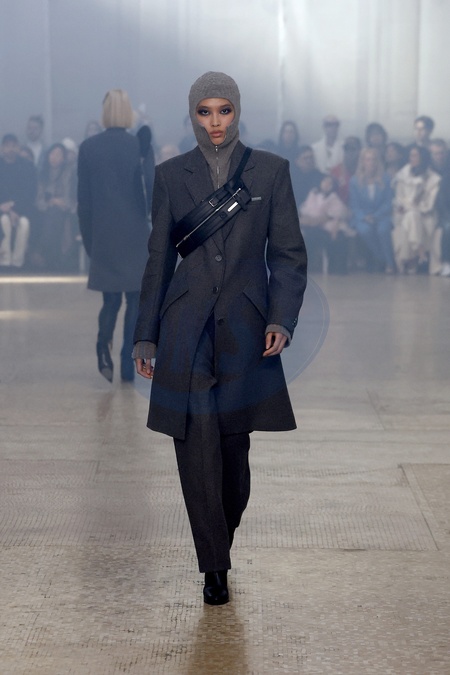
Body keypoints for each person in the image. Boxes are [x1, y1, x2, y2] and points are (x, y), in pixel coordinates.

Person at [132, 72, 307, 605]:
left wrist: (281, 318)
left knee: (233, 453)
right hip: (185, 327)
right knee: (196, 444)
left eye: (224, 110)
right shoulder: (170, 175)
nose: (215, 122)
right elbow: (158, 259)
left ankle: (219, 540)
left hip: (246, 329)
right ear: (192, 115)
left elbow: (288, 255)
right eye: (205, 111)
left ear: (237, 111)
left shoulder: (269, 171)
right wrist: (145, 336)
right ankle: (213, 565)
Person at [77, 89, 154, 382]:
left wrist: (89, 240)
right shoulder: (140, 144)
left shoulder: (88, 147)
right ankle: (127, 363)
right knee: (135, 301)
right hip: (135, 233)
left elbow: (84, 202)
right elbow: (152, 191)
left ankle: (102, 348)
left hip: (104, 233)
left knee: (110, 301)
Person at [392, 145, 441, 274]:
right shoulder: (402, 175)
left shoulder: (433, 179)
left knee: (412, 216)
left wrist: (411, 206)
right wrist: (410, 205)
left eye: (415, 155)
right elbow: (398, 198)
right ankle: (419, 251)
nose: (412, 158)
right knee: (410, 216)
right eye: (411, 155)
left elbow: (429, 204)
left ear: (423, 157)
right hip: (403, 213)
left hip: (425, 216)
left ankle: (411, 259)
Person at [349, 147, 395, 273]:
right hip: (362, 216)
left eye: (374, 159)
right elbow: (354, 204)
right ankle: (382, 259)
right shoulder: (354, 181)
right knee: (365, 230)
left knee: (383, 230)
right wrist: (364, 216)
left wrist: (376, 215)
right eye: (368, 159)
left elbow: (388, 202)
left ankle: (390, 263)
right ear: (362, 162)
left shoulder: (385, 178)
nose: (371, 162)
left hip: (382, 215)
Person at [300, 174, 352, 274]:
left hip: (328, 226)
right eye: (325, 181)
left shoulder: (334, 197)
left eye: (330, 183)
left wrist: (328, 218)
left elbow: (340, 212)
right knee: (310, 236)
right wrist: (314, 219)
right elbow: (308, 211)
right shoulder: (313, 194)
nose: (327, 184)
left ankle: (338, 268)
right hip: (312, 225)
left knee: (339, 237)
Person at [0, 134, 37, 269]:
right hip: (1, 209)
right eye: (7, 146)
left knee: (24, 224)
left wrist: (14, 208)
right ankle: (4, 261)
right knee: (4, 221)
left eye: (13, 146)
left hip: (23, 209)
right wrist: (3, 208)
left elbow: (30, 193)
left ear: (18, 147)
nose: (10, 149)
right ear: (2, 148)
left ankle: (17, 262)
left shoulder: (27, 166)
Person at [36, 143, 74, 270]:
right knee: (53, 213)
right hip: (44, 213)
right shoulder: (42, 174)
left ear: (63, 158)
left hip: (65, 212)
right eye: (52, 154)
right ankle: (54, 258)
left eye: (58, 154)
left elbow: (69, 200)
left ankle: (44, 252)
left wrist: (57, 202)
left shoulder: (69, 174)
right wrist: (51, 202)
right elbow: (38, 201)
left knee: (55, 214)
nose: (54, 157)